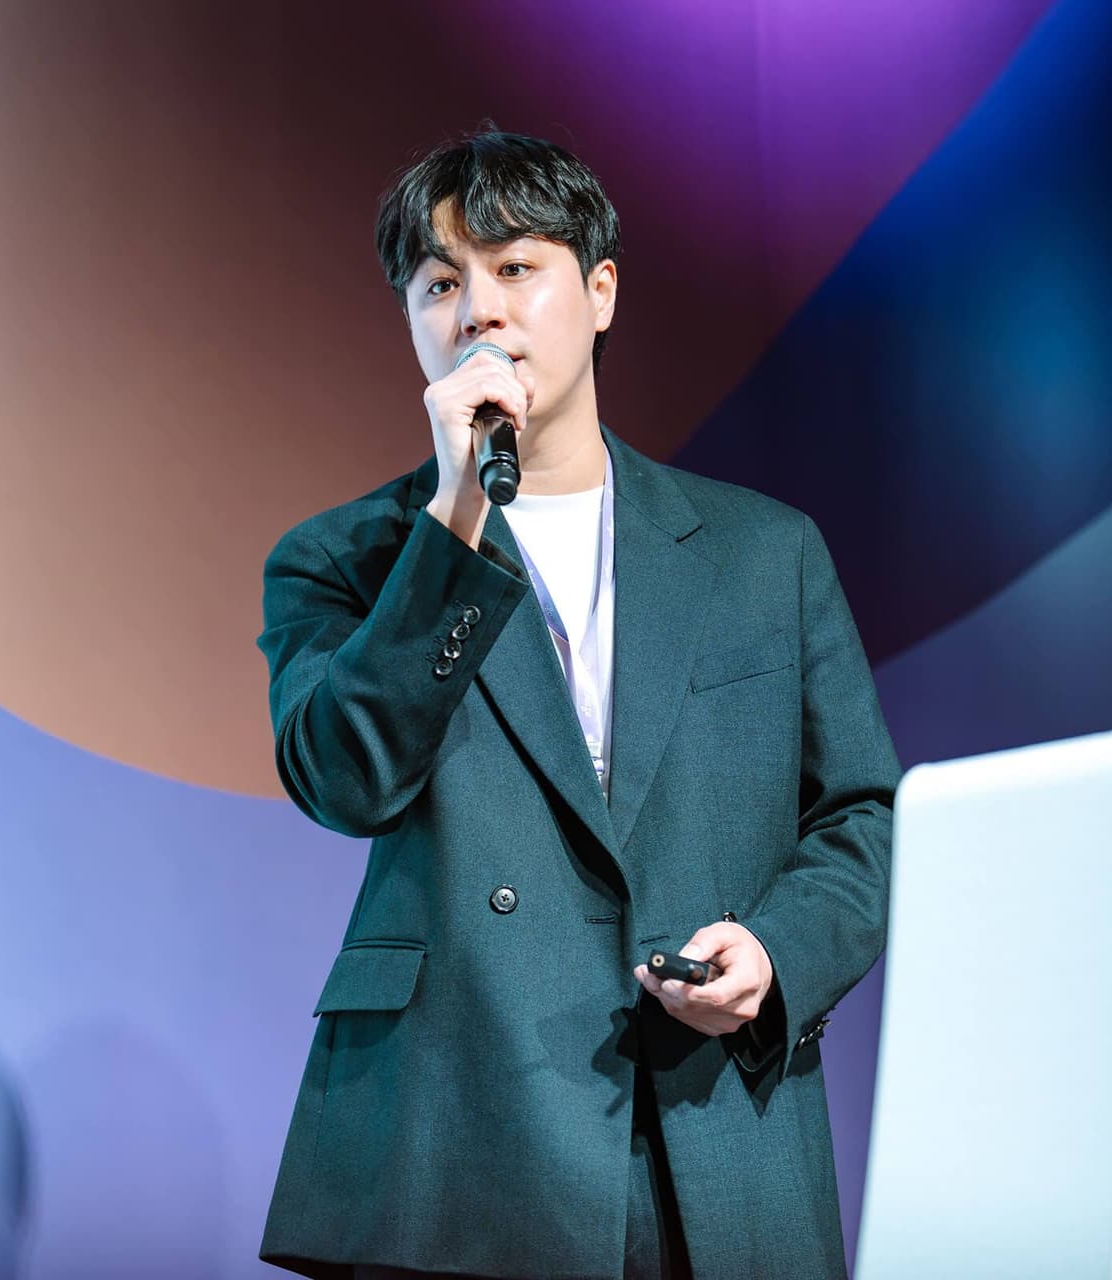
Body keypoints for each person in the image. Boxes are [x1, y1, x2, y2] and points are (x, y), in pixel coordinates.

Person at [255, 127, 900, 1280]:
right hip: (457, 1143)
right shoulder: (346, 559)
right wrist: (452, 524)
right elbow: (343, 775)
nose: (479, 312)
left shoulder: (763, 553)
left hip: (710, 1137)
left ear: (599, 292)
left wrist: (772, 955)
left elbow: (862, 817)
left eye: (516, 269)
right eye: (440, 283)